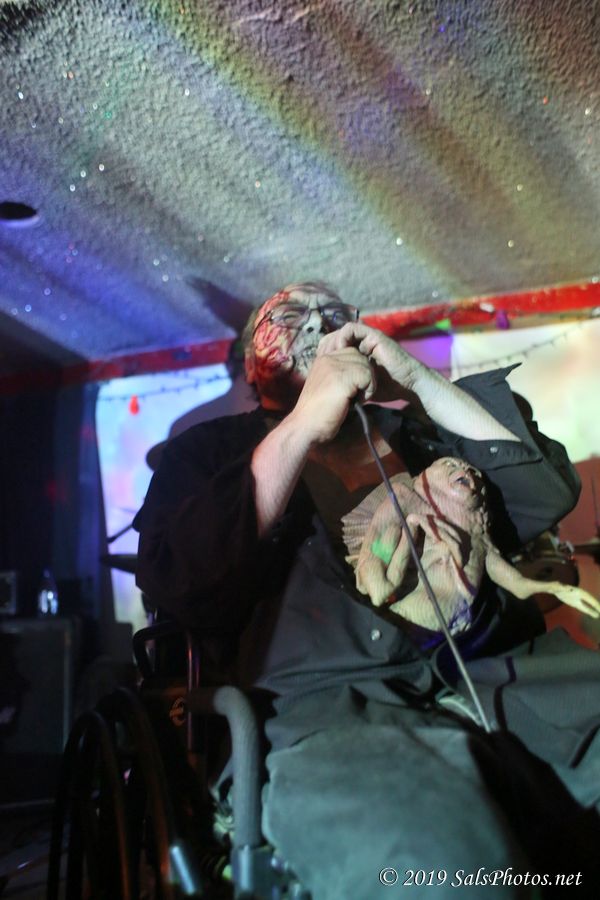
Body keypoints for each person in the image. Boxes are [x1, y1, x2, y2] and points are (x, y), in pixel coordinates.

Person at [134, 282, 600, 898]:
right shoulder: (206, 452)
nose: (317, 325)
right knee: (444, 864)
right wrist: (303, 424)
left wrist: (414, 380)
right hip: (328, 715)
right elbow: (181, 578)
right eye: (291, 315)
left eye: (333, 314)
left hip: (499, 675)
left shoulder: (410, 430)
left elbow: (543, 492)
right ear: (251, 362)